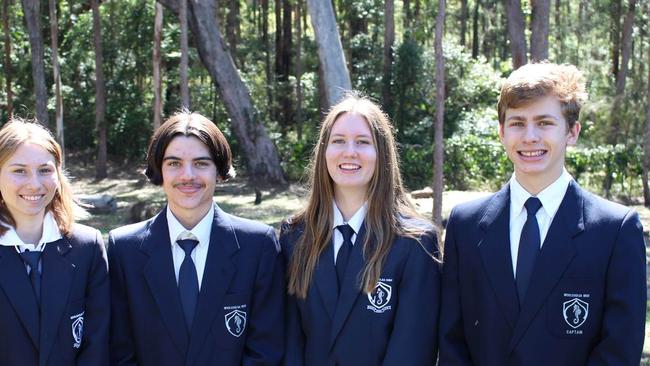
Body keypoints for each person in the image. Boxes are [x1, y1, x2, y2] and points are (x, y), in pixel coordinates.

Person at [438, 62, 647, 365]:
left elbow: (619, 349)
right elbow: (452, 341)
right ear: (501, 132)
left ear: (572, 132)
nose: (530, 136)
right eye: (518, 123)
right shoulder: (466, 225)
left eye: (545, 122)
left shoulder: (614, 230)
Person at [108, 112, 284, 366]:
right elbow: (119, 352)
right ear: (159, 170)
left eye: (201, 163)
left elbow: (266, 350)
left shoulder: (258, 246)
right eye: (174, 163)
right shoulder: (124, 250)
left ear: (219, 171)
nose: (187, 175)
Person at [282, 95, 441, 365]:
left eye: (363, 142)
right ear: (324, 151)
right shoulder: (294, 235)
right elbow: (290, 341)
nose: (349, 152)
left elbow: (412, 350)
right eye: (339, 141)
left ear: (382, 153)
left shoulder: (415, 242)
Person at [0, 118, 109, 365]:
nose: (35, 184)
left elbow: (97, 344)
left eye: (45, 170)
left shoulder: (87, 247)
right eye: (19, 170)